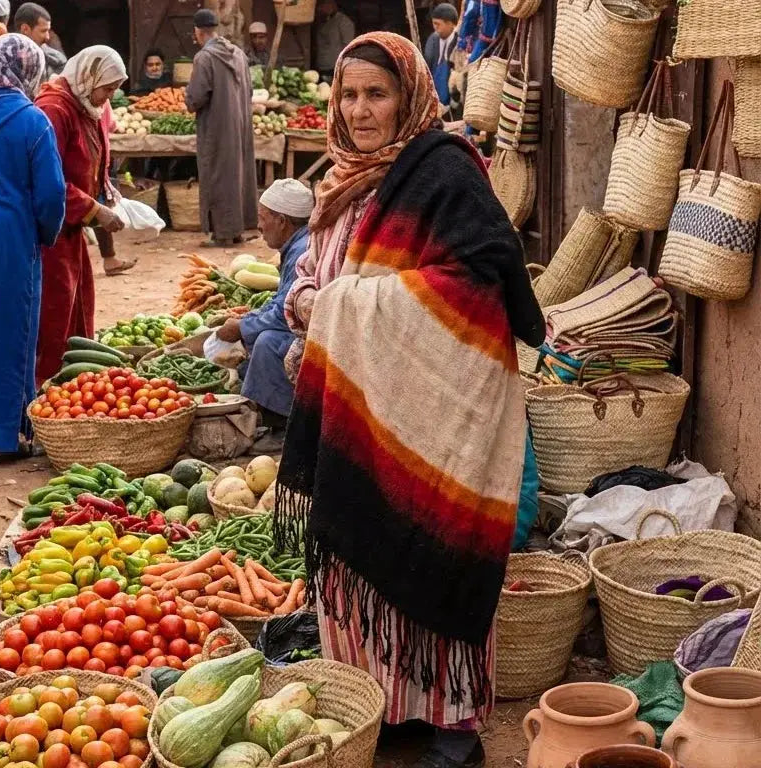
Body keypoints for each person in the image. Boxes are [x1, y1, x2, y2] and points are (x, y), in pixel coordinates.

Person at [274, 34, 544, 768]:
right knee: (359, 554)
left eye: (378, 94)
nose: (361, 111)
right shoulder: (340, 180)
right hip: (358, 407)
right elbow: (312, 276)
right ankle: (386, 703)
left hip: (440, 408)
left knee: (434, 542)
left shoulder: (446, 174)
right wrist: (309, 299)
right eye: (350, 95)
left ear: (411, 97)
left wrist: (343, 305)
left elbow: (476, 292)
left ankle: (453, 720)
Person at [35, 45, 128, 385]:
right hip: (52, 228)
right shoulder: (54, 109)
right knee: (55, 311)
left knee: (78, 301)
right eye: (107, 88)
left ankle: (73, 383)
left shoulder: (89, 105)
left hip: (73, 227)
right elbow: (48, 179)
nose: (110, 96)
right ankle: (47, 389)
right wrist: (93, 208)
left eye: (116, 89)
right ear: (88, 77)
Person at [0, 34, 65, 457]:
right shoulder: (33, 121)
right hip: (10, 238)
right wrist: (44, 233)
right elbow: (52, 195)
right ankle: (4, 436)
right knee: (12, 330)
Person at [216, 179, 313, 446]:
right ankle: (269, 418)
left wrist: (241, 327)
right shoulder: (297, 245)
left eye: (263, 218)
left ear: (282, 221)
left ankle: (282, 427)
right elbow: (284, 299)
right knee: (261, 333)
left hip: (316, 335)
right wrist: (249, 319)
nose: (259, 227)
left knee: (268, 341)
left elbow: (287, 312)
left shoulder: (302, 251)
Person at [186, 8, 257, 247]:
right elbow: (250, 91)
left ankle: (223, 234)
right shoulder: (238, 53)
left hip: (216, 129)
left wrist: (187, 101)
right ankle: (236, 230)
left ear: (198, 31)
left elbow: (196, 97)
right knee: (237, 175)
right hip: (239, 126)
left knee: (217, 176)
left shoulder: (204, 58)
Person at [424, 3, 459, 117]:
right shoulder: (433, 39)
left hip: (453, 101)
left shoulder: (460, 44)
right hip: (433, 96)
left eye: (438, 24)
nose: (435, 27)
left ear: (450, 24)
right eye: (434, 24)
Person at [14, 3, 66, 77]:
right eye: (43, 31)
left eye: (48, 31)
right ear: (25, 29)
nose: (47, 37)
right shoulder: (1, 60)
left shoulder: (56, 62)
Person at [314, 0, 354, 79]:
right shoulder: (322, 21)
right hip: (321, 66)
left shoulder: (344, 21)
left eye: (323, 5)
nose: (319, 8)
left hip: (334, 67)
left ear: (332, 4)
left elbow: (348, 46)